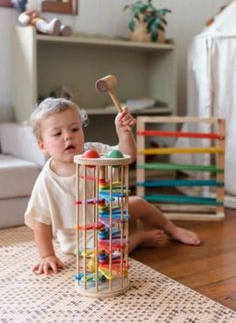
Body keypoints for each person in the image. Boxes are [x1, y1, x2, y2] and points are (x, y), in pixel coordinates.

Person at [25, 97, 200, 275]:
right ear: (42, 145)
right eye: (57, 134)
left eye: (74, 129)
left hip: (110, 214)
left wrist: (123, 132)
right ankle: (138, 239)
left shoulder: (94, 151)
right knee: (109, 252)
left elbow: (126, 156)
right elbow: (41, 222)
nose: (68, 136)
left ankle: (173, 229)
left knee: (139, 202)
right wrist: (47, 255)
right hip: (82, 237)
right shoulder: (46, 180)